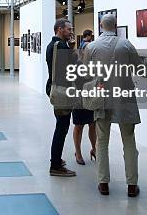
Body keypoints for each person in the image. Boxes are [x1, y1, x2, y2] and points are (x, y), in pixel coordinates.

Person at [83, 14, 140, 197]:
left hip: (102, 97)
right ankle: (132, 185)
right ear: (115, 26)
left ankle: (103, 183)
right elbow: (139, 68)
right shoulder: (126, 44)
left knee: (102, 142)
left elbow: (85, 73)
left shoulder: (91, 46)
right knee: (129, 141)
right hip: (125, 97)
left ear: (101, 25)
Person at [45, 18, 79, 177]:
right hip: (62, 92)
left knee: (61, 126)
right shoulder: (60, 46)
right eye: (68, 29)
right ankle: (55, 165)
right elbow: (69, 69)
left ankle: (56, 160)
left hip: (57, 89)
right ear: (59, 29)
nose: (71, 32)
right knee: (61, 128)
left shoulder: (53, 45)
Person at [73, 29, 96, 165]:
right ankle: (78, 152)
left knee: (93, 124)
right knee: (79, 125)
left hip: (92, 97)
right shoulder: (76, 64)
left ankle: (94, 148)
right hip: (79, 98)